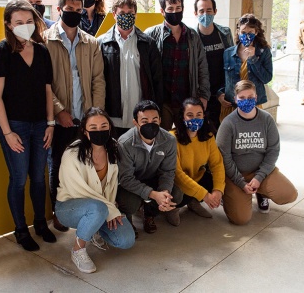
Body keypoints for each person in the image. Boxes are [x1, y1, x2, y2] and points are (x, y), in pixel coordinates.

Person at [0, 0, 57, 251]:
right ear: (8, 23)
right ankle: (20, 229)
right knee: (18, 179)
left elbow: (48, 89)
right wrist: (7, 133)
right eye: (19, 22)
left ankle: (40, 223)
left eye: (29, 21)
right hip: (14, 126)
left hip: (40, 125)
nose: (25, 26)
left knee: (38, 178)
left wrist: (50, 124)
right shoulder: (0, 52)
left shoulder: (42, 51)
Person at [43, 0, 105, 232]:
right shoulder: (45, 41)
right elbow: (44, 83)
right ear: (59, 9)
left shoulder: (91, 42)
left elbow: (98, 79)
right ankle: (58, 212)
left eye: (79, 11)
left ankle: (85, 209)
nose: (75, 14)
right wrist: (59, 111)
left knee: (85, 165)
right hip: (59, 120)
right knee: (57, 167)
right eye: (70, 10)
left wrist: (94, 115)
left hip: (85, 119)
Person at [56, 107, 135, 274]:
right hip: (69, 207)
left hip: (103, 207)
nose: (99, 131)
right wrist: (111, 210)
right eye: (93, 128)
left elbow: (112, 185)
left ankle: (92, 227)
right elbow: (79, 191)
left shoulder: (113, 148)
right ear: (85, 131)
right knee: (97, 208)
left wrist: (110, 207)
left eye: (104, 126)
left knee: (126, 239)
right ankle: (78, 250)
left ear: (110, 127)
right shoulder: (72, 153)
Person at [216, 80, 298, 225]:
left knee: (289, 195)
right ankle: (231, 196)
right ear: (235, 99)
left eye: (250, 97)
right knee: (240, 219)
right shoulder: (228, 124)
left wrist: (259, 177)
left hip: (261, 172)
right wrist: (241, 183)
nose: (246, 101)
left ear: (256, 97)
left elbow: (273, 150)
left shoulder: (266, 119)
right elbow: (224, 158)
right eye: (241, 98)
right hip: (236, 175)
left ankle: (261, 192)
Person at [97, 0, 163, 137]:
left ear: (135, 14)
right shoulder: (101, 43)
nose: (126, 17)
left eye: (130, 13)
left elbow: (157, 80)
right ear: (114, 14)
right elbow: (97, 80)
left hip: (141, 117)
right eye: (121, 13)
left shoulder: (148, 43)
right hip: (113, 116)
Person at [145, 0, 210, 131]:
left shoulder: (193, 36)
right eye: (170, 9)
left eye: (178, 8)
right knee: (162, 138)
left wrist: (204, 95)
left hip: (186, 99)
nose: (175, 12)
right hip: (162, 101)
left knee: (186, 139)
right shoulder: (150, 35)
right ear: (162, 11)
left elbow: (202, 67)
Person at [116, 100, 183, 236]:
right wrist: (153, 194)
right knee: (129, 202)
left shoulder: (169, 140)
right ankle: (129, 215)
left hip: (153, 178)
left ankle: (149, 213)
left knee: (176, 194)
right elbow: (126, 178)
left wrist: (164, 194)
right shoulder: (125, 143)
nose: (150, 125)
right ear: (135, 122)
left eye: (154, 120)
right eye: (145, 121)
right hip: (131, 184)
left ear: (160, 120)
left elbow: (168, 171)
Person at [169, 97, 225, 224]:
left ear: (204, 116)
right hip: (176, 184)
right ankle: (173, 209)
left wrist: (217, 191)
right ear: (182, 117)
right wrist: (205, 195)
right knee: (177, 193)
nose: (195, 118)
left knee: (214, 181)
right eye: (190, 115)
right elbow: (177, 174)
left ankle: (193, 202)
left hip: (195, 178)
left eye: (199, 115)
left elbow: (217, 164)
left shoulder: (208, 137)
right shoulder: (172, 138)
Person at [218, 14, 273, 122]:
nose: (246, 36)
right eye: (243, 32)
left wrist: (253, 59)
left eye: (250, 33)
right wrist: (220, 94)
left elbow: (267, 78)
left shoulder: (263, 52)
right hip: (231, 105)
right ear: (238, 31)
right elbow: (223, 79)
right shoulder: (228, 53)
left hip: (253, 105)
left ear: (256, 32)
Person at [194, 0, 234, 129]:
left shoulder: (225, 33)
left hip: (222, 95)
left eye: (209, 10)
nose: (205, 14)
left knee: (222, 134)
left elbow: (232, 65)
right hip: (200, 96)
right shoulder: (191, 37)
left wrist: (223, 93)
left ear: (215, 12)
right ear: (195, 13)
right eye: (201, 11)